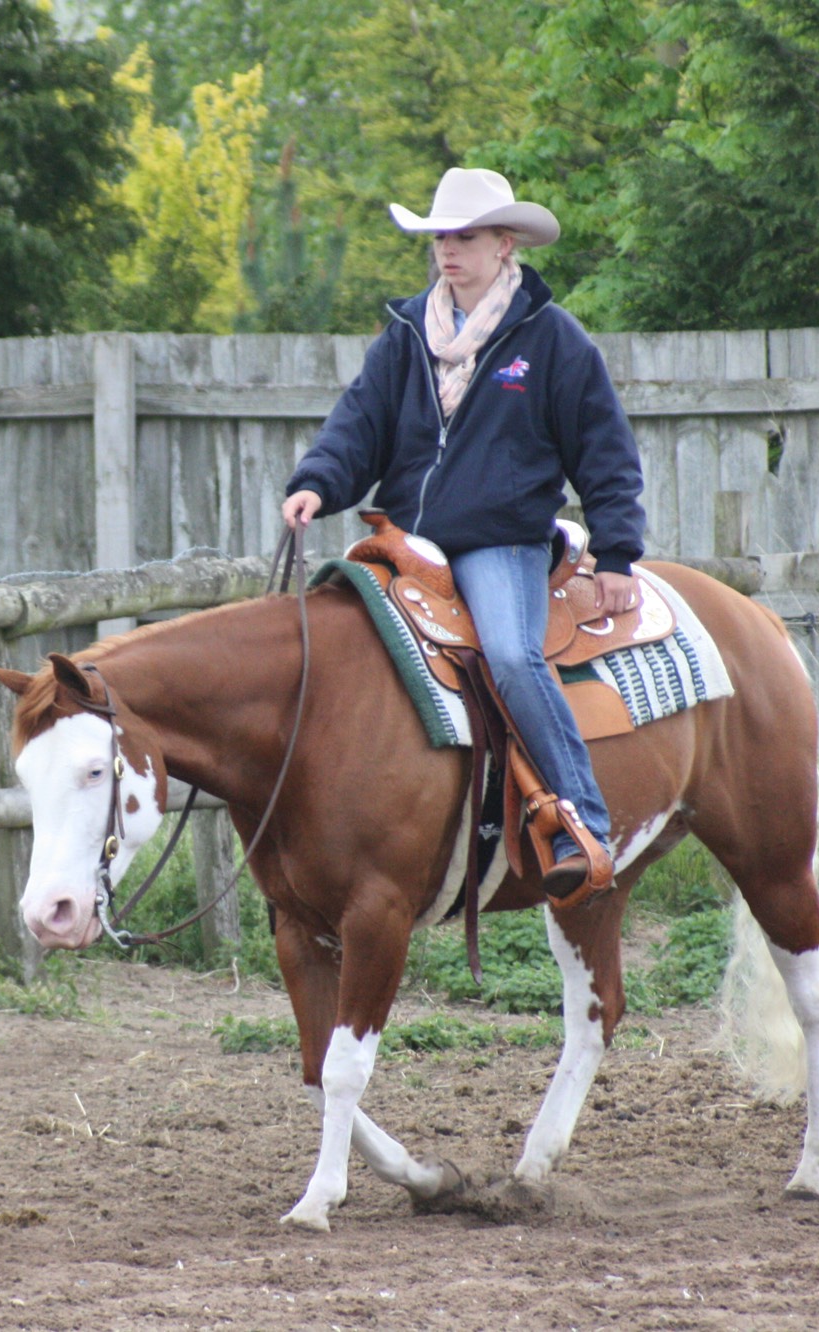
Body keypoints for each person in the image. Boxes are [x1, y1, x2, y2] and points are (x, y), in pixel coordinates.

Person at [280, 166, 645, 897]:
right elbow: (360, 425)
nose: (449, 250)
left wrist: (618, 553)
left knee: (511, 658)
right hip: (406, 537)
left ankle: (584, 822)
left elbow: (604, 449)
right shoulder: (407, 333)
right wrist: (316, 483)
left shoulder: (552, 340)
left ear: (505, 244)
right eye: (441, 236)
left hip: (500, 541)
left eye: (466, 236)